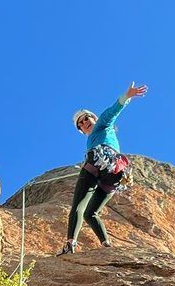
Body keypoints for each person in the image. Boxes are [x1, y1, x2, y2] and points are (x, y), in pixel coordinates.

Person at [60, 82, 148, 254]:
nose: (84, 122)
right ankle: (106, 244)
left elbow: (111, 113)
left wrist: (126, 97)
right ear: (81, 130)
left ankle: (71, 243)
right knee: (90, 213)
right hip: (115, 174)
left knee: (78, 206)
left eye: (86, 118)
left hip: (100, 164)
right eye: (80, 123)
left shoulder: (102, 125)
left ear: (94, 118)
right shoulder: (97, 136)